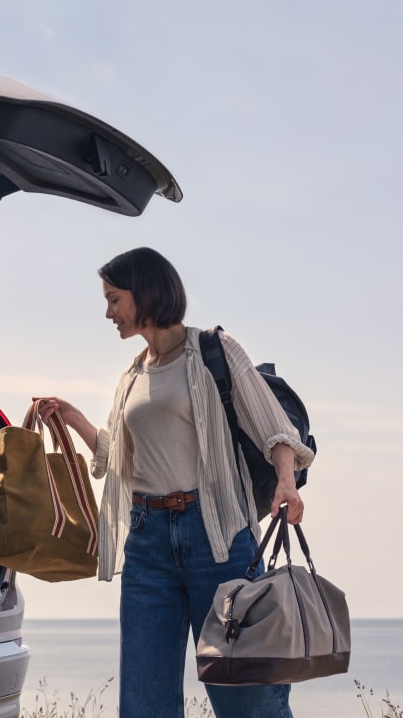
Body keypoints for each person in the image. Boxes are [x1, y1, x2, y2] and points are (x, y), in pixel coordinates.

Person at [35, 247, 315, 718]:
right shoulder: (132, 375)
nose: (108, 312)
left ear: (145, 293)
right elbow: (118, 459)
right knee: (144, 702)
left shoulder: (214, 350)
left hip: (218, 539)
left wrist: (286, 482)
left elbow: (274, 428)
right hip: (147, 544)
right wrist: (75, 419)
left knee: (246, 698)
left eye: (113, 299)